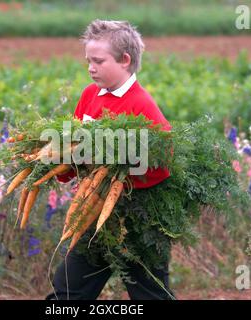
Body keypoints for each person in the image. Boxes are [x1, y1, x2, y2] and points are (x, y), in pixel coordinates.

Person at [46, 19, 175, 300]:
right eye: (88, 61)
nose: (91, 67)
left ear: (125, 60)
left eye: (99, 61)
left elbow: (163, 166)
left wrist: (119, 163)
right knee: (68, 292)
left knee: (151, 293)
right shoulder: (90, 95)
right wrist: (56, 164)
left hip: (140, 220)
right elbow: (75, 149)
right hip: (94, 211)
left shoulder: (142, 106)